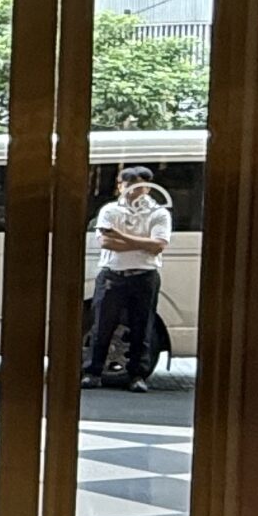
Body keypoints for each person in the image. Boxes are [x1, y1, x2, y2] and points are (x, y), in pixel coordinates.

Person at [84, 164, 172, 391]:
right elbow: (106, 242)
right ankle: (93, 372)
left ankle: (137, 376)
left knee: (142, 326)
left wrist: (121, 236)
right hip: (112, 274)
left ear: (148, 188)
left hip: (145, 276)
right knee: (101, 325)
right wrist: (143, 243)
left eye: (139, 186)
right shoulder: (110, 210)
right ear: (120, 186)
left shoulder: (159, 213)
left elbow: (158, 246)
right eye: (128, 185)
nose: (133, 190)